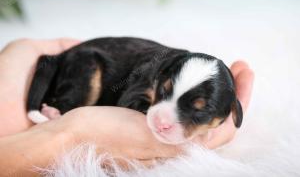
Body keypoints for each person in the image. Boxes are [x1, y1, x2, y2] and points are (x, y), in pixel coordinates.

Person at [0, 38, 254, 176]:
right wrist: (69, 133)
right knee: (87, 74)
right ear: (161, 77)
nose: (163, 119)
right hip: (88, 59)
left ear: (232, 112)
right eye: (164, 93)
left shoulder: (225, 101)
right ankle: (55, 106)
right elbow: (130, 99)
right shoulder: (158, 73)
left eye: (197, 111)